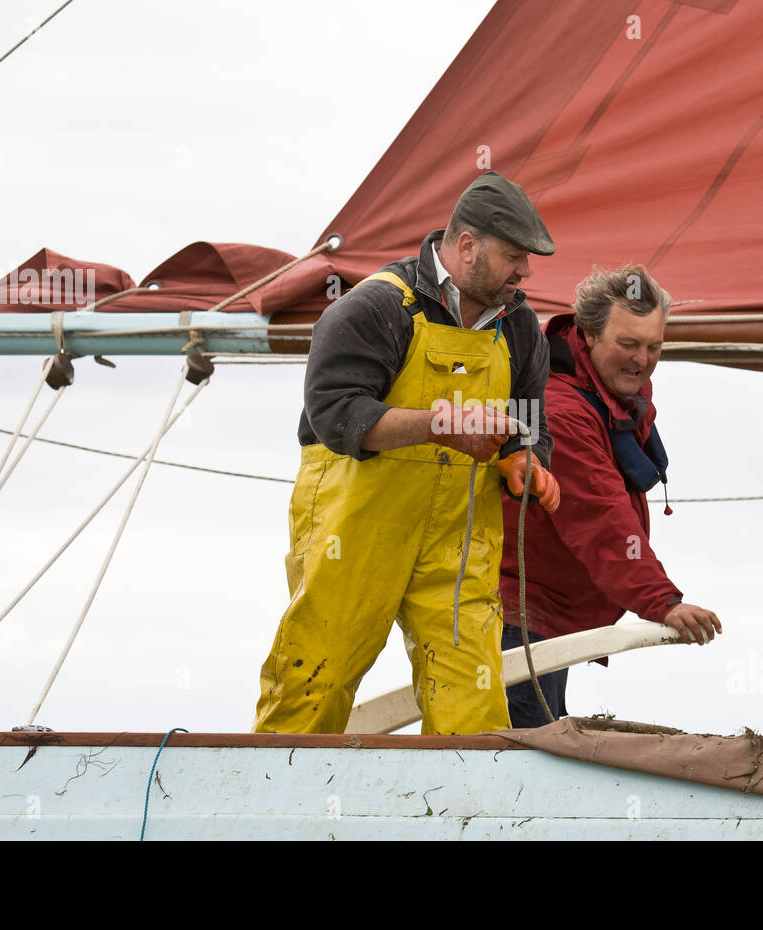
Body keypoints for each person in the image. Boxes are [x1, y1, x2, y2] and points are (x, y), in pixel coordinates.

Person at [255, 171, 561, 735]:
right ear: (466, 245)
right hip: (356, 529)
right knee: (315, 681)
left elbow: (530, 420)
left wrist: (526, 460)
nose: (525, 271)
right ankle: (275, 789)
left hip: (459, 541)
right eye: (515, 256)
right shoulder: (376, 306)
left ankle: (467, 795)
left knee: (474, 706)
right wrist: (444, 427)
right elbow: (336, 414)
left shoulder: (520, 327)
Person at [499, 264, 721, 727]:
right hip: (514, 614)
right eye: (628, 344)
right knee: (519, 747)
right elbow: (600, 517)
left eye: (654, 347)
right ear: (588, 334)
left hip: (547, 616)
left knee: (538, 739)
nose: (642, 359)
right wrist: (662, 601)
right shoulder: (563, 410)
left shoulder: (611, 395)